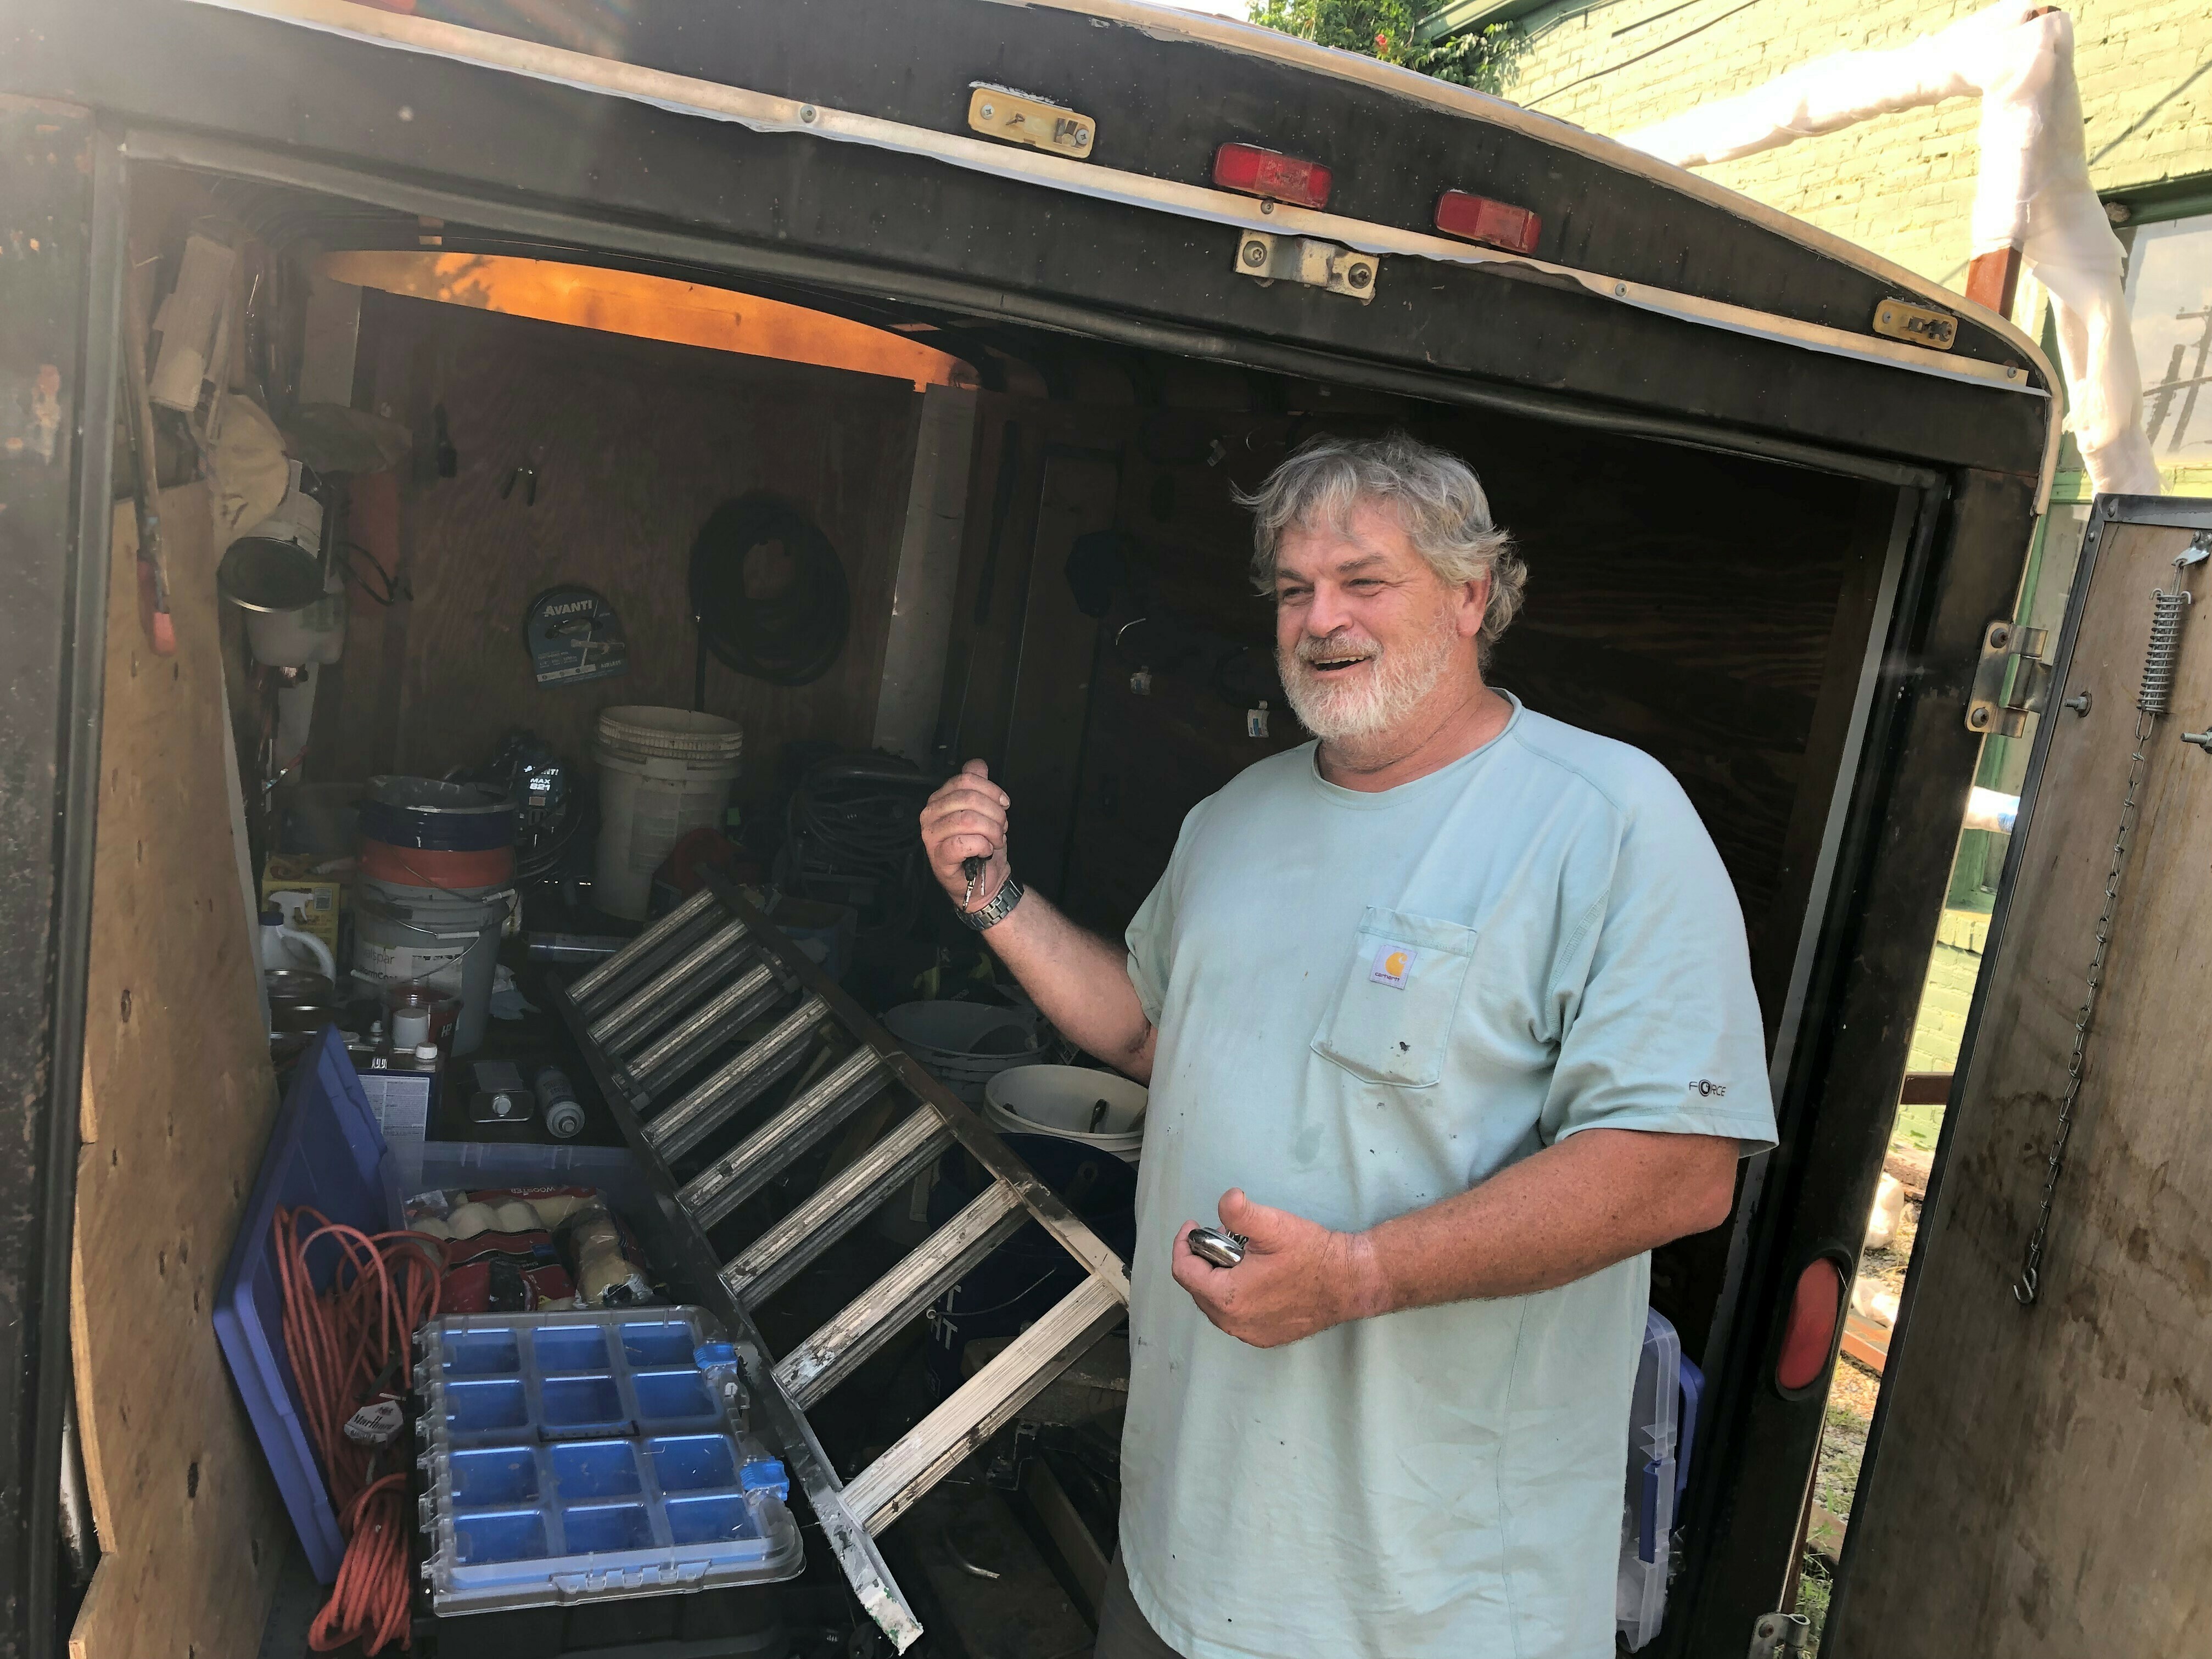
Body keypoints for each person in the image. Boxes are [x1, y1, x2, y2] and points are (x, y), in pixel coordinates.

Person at [917, 432, 1776, 1659]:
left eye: (1363, 581)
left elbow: (1678, 1165)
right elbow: (1154, 1029)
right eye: (1291, 588)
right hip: (1182, 1548)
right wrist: (993, 898)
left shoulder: (1604, 818)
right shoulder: (1234, 816)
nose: (1320, 619)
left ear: (1473, 592)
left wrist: (1361, 1273)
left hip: (1432, 1604)